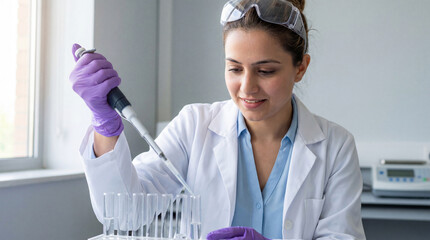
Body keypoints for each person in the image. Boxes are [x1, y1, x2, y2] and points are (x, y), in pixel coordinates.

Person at [69, 0, 366, 239]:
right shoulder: (193, 126)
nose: (247, 87)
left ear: (300, 67)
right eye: (235, 69)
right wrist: (104, 124)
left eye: (266, 71)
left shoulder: (335, 147)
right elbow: (125, 213)